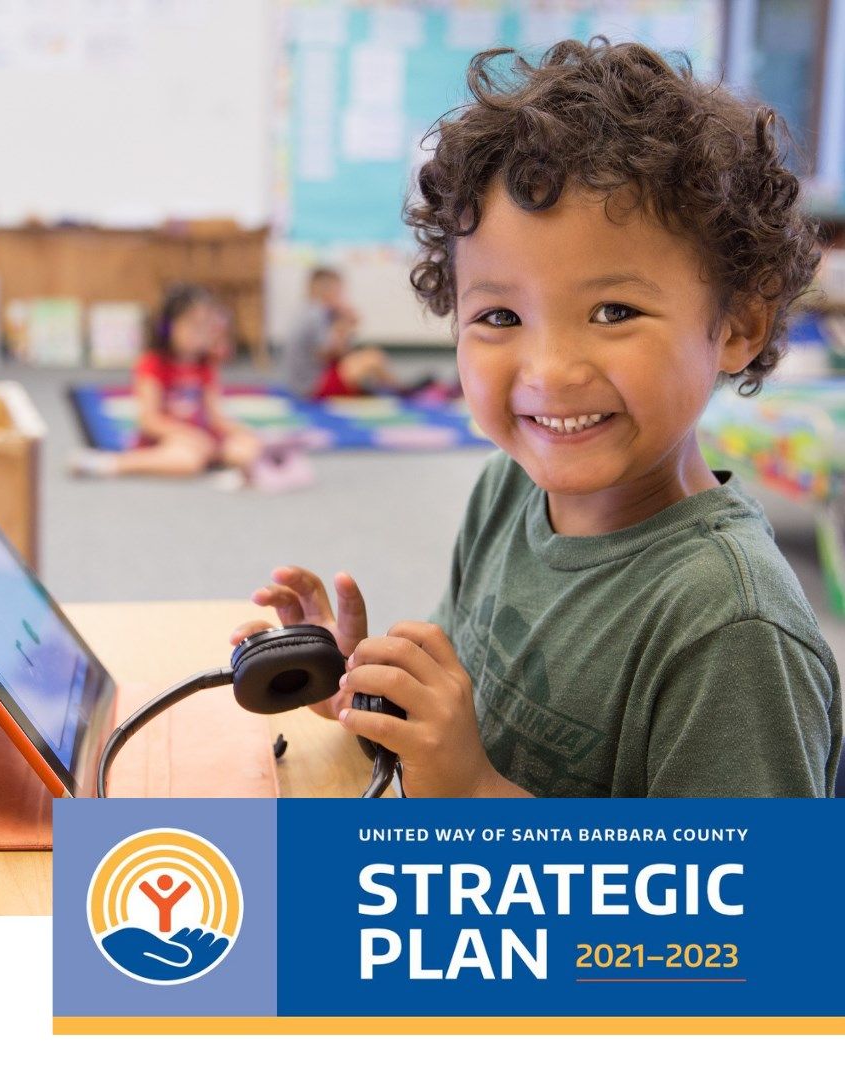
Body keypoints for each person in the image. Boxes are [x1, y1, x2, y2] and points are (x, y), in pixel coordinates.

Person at [232, 39, 842, 798]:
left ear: (739, 326)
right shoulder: (508, 490)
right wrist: (375, 699)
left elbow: (752, 912)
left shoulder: (732, 628)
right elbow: (463, 724)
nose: (550, 370)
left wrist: (478, 795)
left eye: (613, 311)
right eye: (498, 315)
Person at [72, 284, 262, 479]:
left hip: (203, 438)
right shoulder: (152, 364)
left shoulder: (206, 365)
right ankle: (112, 463)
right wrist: (187, 435)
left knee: (247, 449)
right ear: (168, 327)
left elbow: (216, 416)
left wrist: (244, 432)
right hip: (165, 439)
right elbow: (150, 421)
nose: (201, 333)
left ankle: (210, 456)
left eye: (206, 325)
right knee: (186, 461)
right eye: (192, 325)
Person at [282, 266, 450, 399]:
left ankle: (392, 388)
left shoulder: (308, 310)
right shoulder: (316, 313)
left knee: (365, 359)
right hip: (311, 386)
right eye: (339, 292)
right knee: (372, 357)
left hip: (304, 381)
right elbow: (330, 353)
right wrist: (344, 326)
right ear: (329, 291)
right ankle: (401, 390)